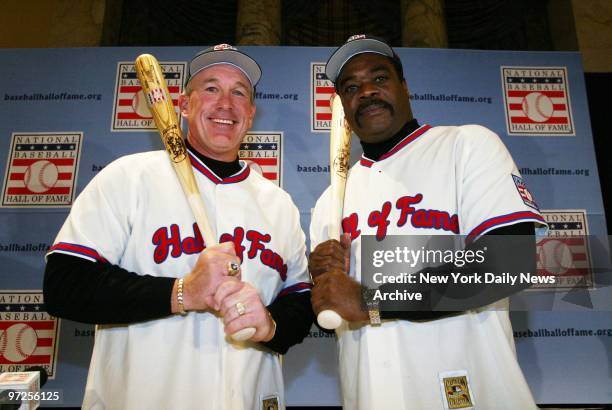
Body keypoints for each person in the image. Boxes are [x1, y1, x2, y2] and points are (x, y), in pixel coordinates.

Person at [43, 44, 314, 410]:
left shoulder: (277, 203)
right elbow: (64, 286)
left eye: (239, 93)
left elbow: (298, 306)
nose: (225, 103)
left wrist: (269, 325)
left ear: (250, 114)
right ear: (184, 106)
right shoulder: (130, 177)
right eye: (211, 88)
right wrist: (183, 291)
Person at [309, 35, 547, 409]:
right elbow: (333, 312)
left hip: (473, 394)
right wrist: (321, 283)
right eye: (351, 87)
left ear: (404, 86)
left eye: (380, 78)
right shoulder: (329, 204)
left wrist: (370, 299)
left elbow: (509, 262)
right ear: (342, 106)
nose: (367, 91)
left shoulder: (465, 146)